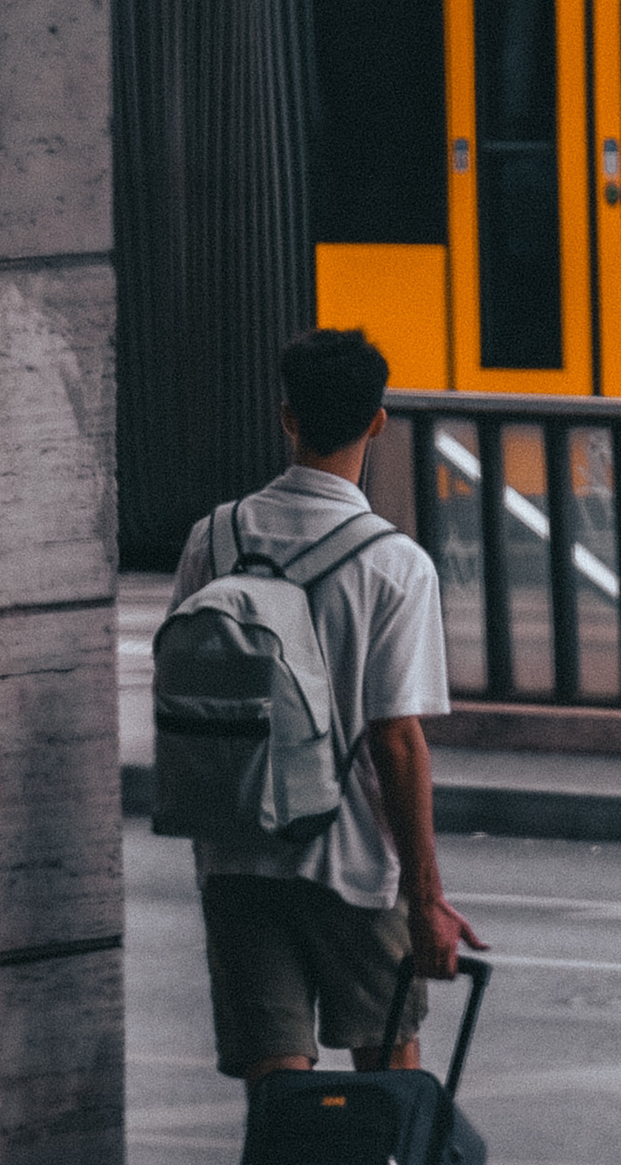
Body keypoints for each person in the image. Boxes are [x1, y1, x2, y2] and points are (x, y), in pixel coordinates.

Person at [169, 325, 482, 1089]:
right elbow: (396, 740)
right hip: (352, 865)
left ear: (288, 417)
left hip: (237, 857)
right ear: (378, 421)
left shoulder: (213, 538)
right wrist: (426, 899)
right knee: (387, 1089)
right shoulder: (394, 565)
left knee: (280, 1105)